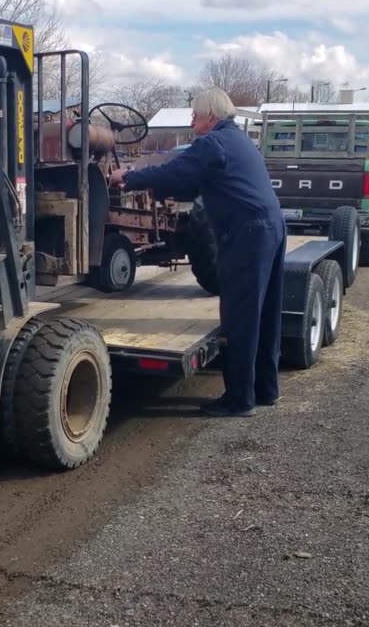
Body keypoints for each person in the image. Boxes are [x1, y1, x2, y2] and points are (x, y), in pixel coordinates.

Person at [108, 88, 285, 418]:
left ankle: (239, 400)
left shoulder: (211, 143)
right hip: (271, 225)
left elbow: (177, 171)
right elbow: (193, 182)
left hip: (248, 233)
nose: (191, 121)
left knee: (240, 317)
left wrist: (128, 178)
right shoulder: (238, 140)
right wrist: (158, 188)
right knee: (267, 311)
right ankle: (266, 390)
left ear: (211, 117)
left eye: (194, 115)